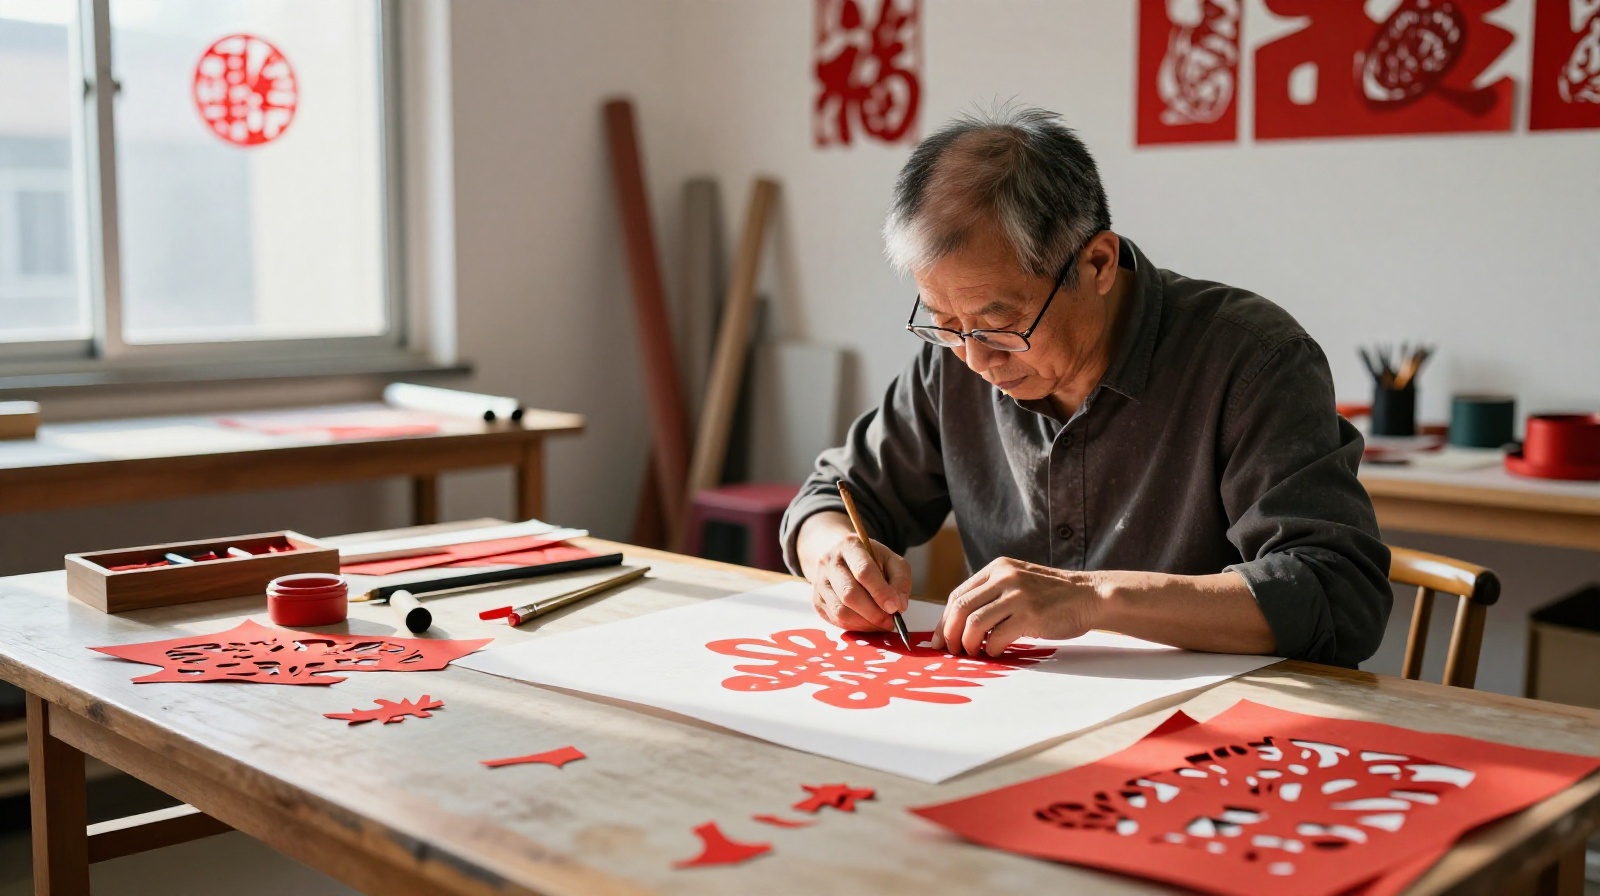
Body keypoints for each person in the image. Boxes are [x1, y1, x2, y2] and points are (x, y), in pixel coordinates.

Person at [780, 107, 1391, 667]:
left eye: (1000, 326)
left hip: (1219, 733)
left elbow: (1337, 594)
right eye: (945, 326)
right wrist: (835, 557)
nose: (975, 359)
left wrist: (1092, 598)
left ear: (1097, 263)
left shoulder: (1252, 360)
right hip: (1015, 715)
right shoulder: (955, 361)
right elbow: (831, 498)